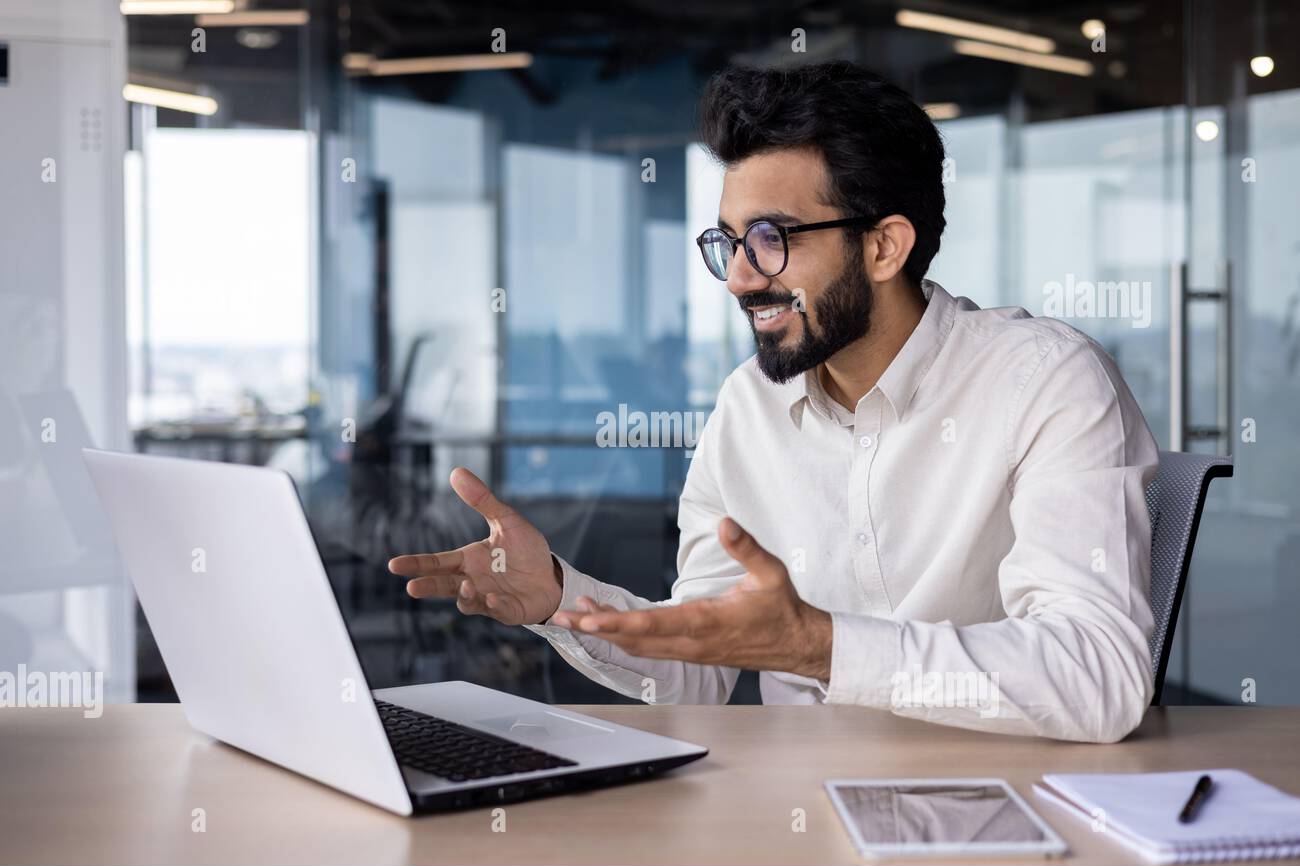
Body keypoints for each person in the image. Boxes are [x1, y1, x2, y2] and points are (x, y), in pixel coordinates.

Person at [388, 61, 1159, 744]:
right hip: (794, 808)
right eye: (729, 241)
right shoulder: (749, 408)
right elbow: (700, 672)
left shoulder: (1049, 383)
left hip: (998, 813)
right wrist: (561, 598)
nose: (739, 278)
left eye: (771, 238)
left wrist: (818, 646)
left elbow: (1099, 677)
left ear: (885, 246)